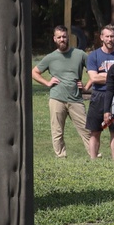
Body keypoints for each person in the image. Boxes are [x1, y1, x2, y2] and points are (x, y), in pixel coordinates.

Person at [32, 25, 89, 158]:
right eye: (59, 37)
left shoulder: (79, 54)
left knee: (87, 130)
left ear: (68, 37)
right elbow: (34, 72)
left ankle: (94, 155)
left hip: (76, 99)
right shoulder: (50, 58)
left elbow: (94, 70)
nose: (62, 39)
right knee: (57, 131)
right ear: (54, 39)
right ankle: (61, 157)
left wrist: (86, 85)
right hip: (57, 98)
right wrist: (47, 83)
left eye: (64, 37)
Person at [85, 24, 114, 159]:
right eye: (107, 36)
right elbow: (94, 78)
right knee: (95, 131)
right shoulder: (94, 56)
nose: (110, 39)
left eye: (112, 36)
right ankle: (94, 161)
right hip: (98, 96)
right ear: (101, 37)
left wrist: (104, 76)